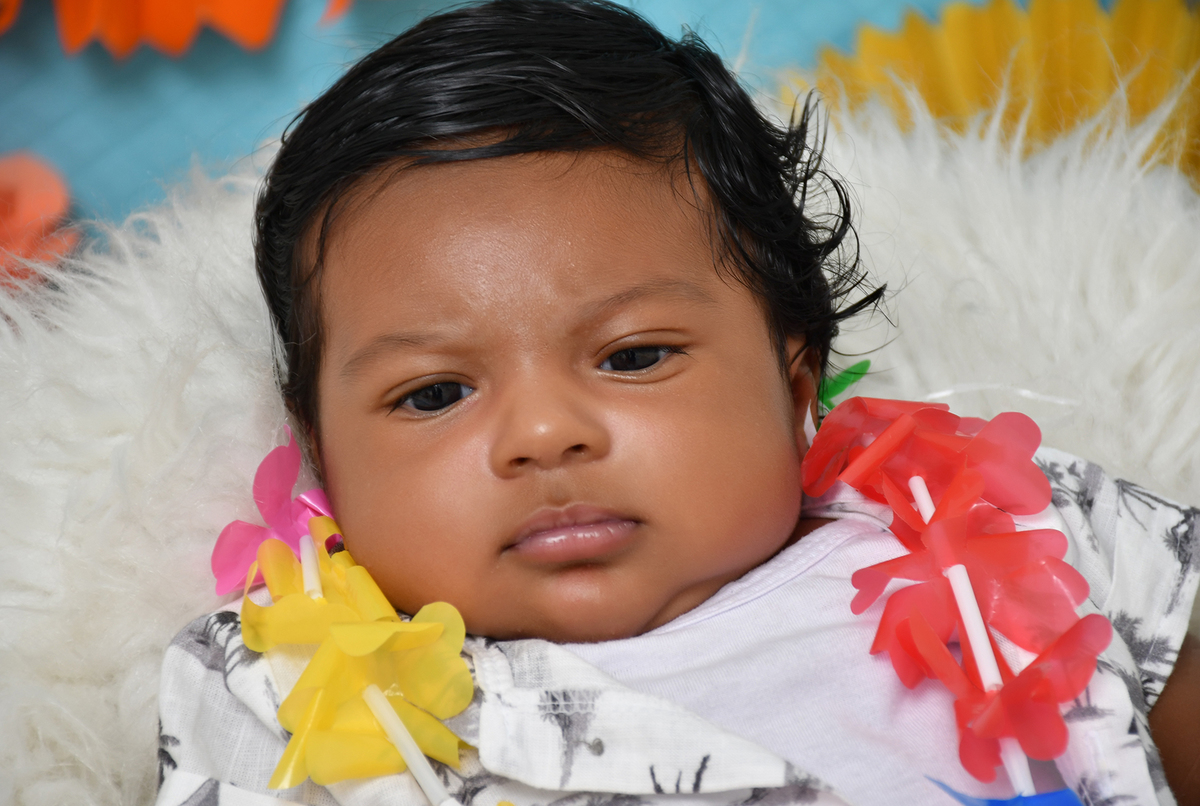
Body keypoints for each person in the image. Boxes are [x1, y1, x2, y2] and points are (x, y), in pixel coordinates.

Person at [154, 2, 1200, 805]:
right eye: (433, 392)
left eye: (635, 355)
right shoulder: (285, 690)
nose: (543, 434)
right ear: (322, 453)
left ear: (796, 378)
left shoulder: (1000, 519)